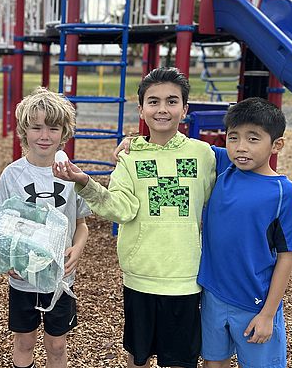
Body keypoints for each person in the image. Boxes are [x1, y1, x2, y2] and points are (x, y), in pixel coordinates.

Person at [53, 67, 215, 368]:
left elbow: (239, 174)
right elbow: (121, 209)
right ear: (141, 109)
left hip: (185, 277)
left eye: (171, 101)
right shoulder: (130, 158)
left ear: (185, 108)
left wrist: (276, 188)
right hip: (140, 275)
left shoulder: (204, 155)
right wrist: (85, 182)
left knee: (181, 359)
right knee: (137, 355)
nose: (163, 109)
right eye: (153, 102)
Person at [198, 97, 292, 368]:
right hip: (212, 295)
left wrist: (268, 314)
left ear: (276, 145)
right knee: (214, 362)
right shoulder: (224, 166)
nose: (241, 147)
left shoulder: (284, 193)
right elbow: (180, 149)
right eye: (233, 138)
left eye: (253, 139)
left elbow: (286, 256)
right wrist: (136, 142)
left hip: (255, 302)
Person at [0, 88, 91, 368]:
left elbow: (81, 224)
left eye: (53, 128)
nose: (44, 135)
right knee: (24, 342)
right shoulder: (12, 175)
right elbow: (1, 226)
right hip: (23, 279)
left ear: (64, 132)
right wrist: (6, 259)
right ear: (24, 131)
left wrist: (78, 248)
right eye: (36, 128)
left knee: (57, 345)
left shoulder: (72, 175)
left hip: (60, 278)